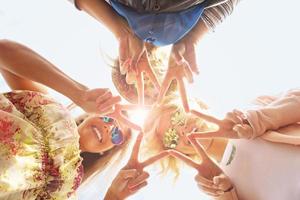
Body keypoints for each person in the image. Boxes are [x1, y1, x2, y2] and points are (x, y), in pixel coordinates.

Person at [0, 39, 169, 199]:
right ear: (92, 115)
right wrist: (79, 93)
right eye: (109, 119)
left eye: (116, 135)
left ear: (105, 151)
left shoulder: (64, 185)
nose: (110, 128)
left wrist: (113, 198)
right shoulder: (47, 109)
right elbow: (4, 51)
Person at [67, 0, 240, 111]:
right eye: (156, 92)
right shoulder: (183, 33)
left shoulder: (117, 13)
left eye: (145, 84)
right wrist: (191, 40)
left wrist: (122, 32)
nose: (150, 80)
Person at [171, 89, 300, 200]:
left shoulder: (250, 111)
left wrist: (255, 121)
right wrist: (225, 194)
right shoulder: (219, 184)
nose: (181, 129)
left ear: (199, 105)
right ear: (179, 153)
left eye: (178, 116)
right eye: (171, 138)